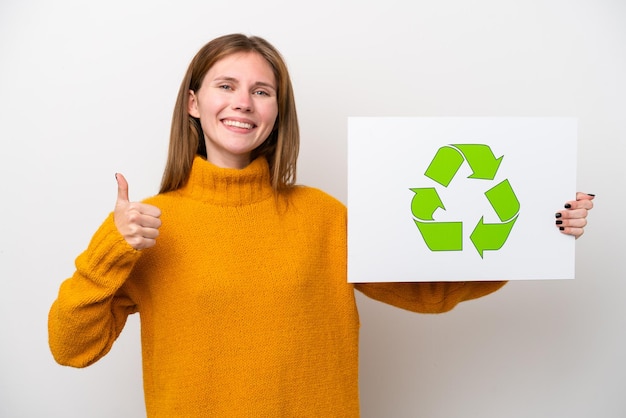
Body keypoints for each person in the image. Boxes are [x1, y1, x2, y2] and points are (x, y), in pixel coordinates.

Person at [48, 33, 595, 417]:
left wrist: (537, 232)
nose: (243, 103)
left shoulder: (322, 217)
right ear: (193, 103)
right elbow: (70, 347)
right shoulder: (147, 227)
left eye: (262, 92)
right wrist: (109, 250)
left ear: (277, 112)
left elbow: (429, 288)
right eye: (226, 86)